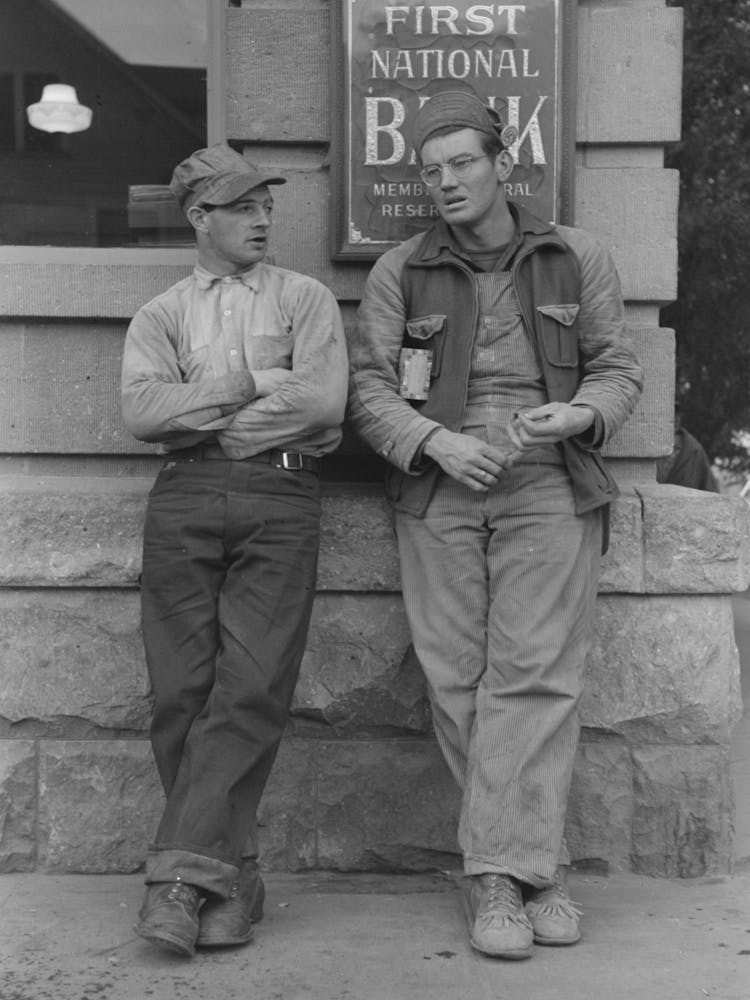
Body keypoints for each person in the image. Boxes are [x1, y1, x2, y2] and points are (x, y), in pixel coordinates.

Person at [347, 90, 643, 960]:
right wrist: (434, 441)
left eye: (463, 163)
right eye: (431, 170)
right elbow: (370, 390)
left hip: (550, 479)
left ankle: (500, 881)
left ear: (504, 163)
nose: (446, 182)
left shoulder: (576, 255)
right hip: (439, 483)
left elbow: (620, 369)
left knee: (537, 676)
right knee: (454, 677)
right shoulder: (402, 270)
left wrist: (580, 416)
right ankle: (530, 869)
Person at [121, 142, 348, 957]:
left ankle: (178, 882)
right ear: (198, 218)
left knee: (249, 687)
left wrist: (209, 414)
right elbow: (144, 415)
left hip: (280, 496)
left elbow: (322, 404)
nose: (262, 220)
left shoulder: (306, 299)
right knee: (181, 691)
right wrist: (254, 385)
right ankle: (233, 876)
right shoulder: (161, 314)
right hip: (181, 497)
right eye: (243, 207)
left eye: (266, 206)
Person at [656, 406, 719, 491]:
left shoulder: (694, 451)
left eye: (676, 414)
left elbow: (710, 490)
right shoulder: (648, 447)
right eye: (670, 414)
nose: (675, 419)